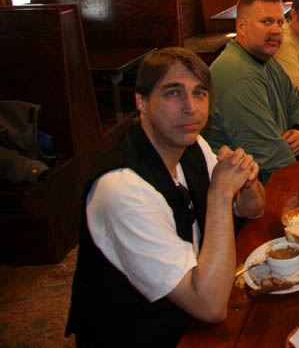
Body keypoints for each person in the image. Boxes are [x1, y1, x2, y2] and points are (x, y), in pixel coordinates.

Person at [66, 48, 265, 346]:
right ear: (141, 102)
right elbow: (210, 307)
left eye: (199, 93)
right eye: (173, 93)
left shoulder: (192, 144)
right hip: (143, 333)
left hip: (190, 307)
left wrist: (247, 181)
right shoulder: (121, 188)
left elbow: (253, 210)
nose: (190, 108)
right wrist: (221, 194)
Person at [205, 0, 299, 183]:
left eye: (280, 22)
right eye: (266, 22)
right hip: (247, 189)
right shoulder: (239, 76)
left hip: (275, 172)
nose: (276, 30)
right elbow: (274, 160)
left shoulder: (264, 58)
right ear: (241, 27)